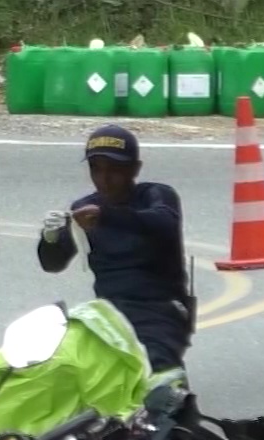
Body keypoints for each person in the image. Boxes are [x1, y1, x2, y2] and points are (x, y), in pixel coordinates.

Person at [37, 124, 192, 374]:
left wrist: (107, 216)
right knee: (61, 369)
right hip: (108, 313)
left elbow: (164, 223)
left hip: (159, 311)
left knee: (158, 376)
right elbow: (52, 263)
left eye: (115, 169)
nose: (104, 179)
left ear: (135, 169)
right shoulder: (85, 208)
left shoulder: (156, 196)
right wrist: (51, 237)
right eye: (96, 169)